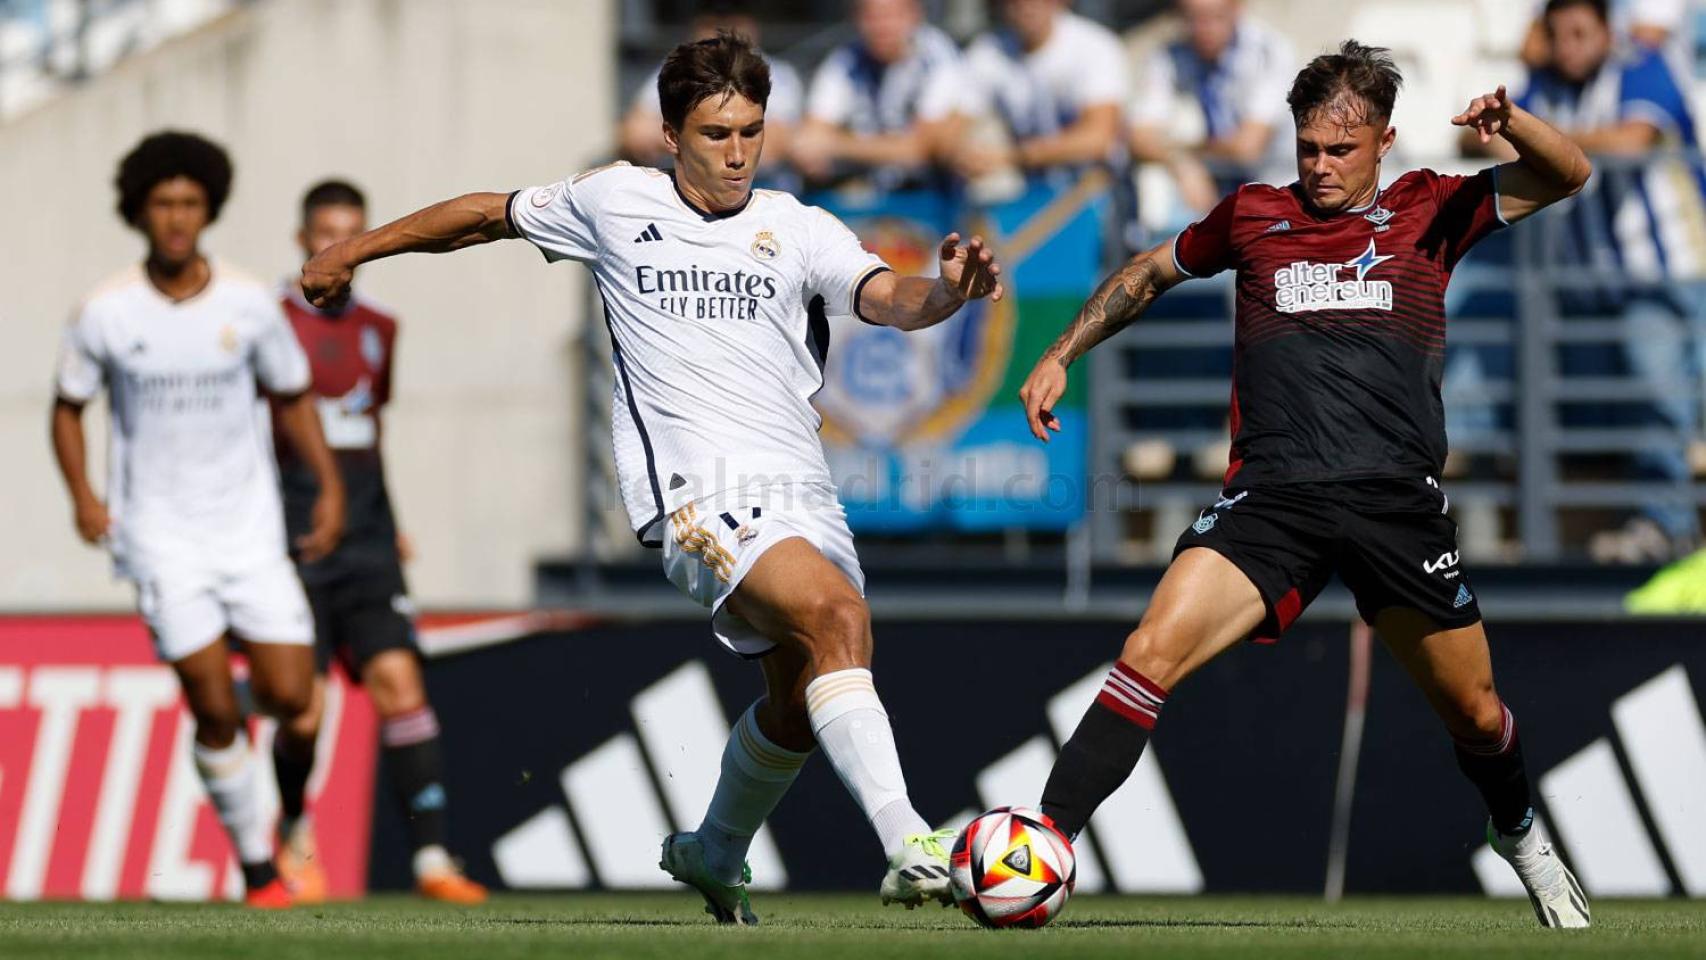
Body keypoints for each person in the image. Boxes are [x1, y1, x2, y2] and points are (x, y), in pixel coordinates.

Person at [299, 33, 1003, 922]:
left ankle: (713, 849)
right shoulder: (612, 200)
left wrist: (946, 293)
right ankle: (910, 842)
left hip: (802, 495)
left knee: (798, 693)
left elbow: (889, 298)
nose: (739, 151)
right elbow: (483, 215)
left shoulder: (797, 225)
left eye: (751, 130)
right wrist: (356, 250)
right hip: (694, 495)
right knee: (836, 616)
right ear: (671, 135)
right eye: (717, 134)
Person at [1017, 42, 1595, 928]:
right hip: (1272, 501)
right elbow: (1146, 274)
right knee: (1147, 654)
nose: (1320, 168)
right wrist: (1061, 351)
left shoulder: (1432, 208)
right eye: (1309, 149)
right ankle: (1041, 850)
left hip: (1395, 504)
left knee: (1477, 715)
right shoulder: (1253, 214)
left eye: (1342, 150)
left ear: (1385, 143)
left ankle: (1518, 831)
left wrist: (1510, 123)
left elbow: (1570, 172)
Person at [51, 131, 346, 909]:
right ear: (139, 212)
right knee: (214, 706)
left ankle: (287, 816)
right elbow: (67, 408)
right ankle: (256, 872)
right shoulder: (105, 312)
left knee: (294, 699)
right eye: (162, 204)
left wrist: (329, 488)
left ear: (207, 208)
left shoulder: (248, 303)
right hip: (158, 537)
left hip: (248, 535)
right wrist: (83, 493)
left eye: (188, 203)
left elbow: (292, 398)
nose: (176, 218)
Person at [268, 180, 487, 905]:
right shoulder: (266, 325)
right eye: (327, 234)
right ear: (303, 240)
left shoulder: (378, 330)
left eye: (352, 237)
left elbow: (371, 431)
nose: (340, 250)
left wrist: (389, 518)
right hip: (291, 536)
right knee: (303, 711)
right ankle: (295, 827)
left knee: (401, 686)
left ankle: (431, 859)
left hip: (366, 536)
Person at [1477, 0, 1706, 562]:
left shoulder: (1644, 65)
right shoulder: (1546, 85)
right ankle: (1524, 530)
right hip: (1586, 289)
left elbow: (1633, 139)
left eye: (1582, 32)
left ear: (1608, 31)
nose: (1570, 45)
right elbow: (1478, 140)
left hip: (1663, 280)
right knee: (1519, 367)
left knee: (1655, 378)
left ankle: (1668, 525)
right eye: (1558, 34)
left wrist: (1547, 140)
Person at [1127, 0, 1296, 213]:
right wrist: (1180, 163)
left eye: (1214, 16)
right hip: (1207, 179)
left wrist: (1184, 152)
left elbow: (1247, 147)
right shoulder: (1167, 56)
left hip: (1275, 181)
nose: (1203, 28)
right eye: (1192, 18)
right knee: (1154, 189)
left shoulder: (1269, 52)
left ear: (1237, 9)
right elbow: (1138, 137)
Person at [617, 0, 804, 185]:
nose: (722, 32)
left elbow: (770, 149)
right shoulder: (676, 69)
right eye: (711, 24)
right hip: (683, 186)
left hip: (759, 186)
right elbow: (634, 134)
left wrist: (689, 140)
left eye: (734, 23)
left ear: (752, 26)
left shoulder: (778, 74)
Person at [791, 0, 966, 188]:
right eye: (871, 16)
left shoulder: (936, 57)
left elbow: (921, 148)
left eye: (891, 15)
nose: (882, 26)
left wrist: (836, 145)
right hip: (867, 188)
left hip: (929, 192)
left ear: (915, 16)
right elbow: (812, 132)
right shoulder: (845, 60)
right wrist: (811, 154)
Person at [956, 0, 1129, 185]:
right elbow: (952, 122)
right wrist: (963, 155)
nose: (1026, 6)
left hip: (1095, 186)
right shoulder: (988, 51)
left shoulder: (1094, 45)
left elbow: (1098, 138)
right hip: (1034, 187)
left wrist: (1013, 157)